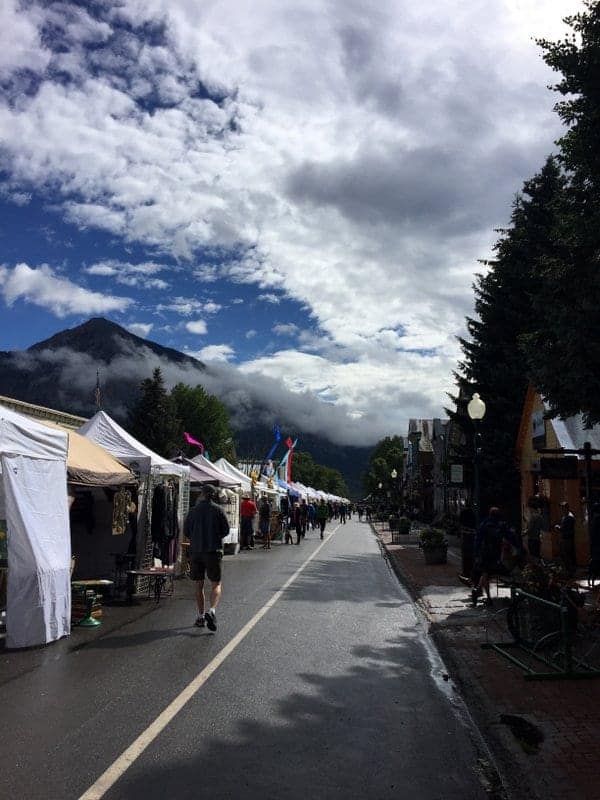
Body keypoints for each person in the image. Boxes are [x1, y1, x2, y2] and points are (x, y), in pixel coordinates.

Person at [184, 484, 230, 631]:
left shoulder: (193, 511)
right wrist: (215, 537)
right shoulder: (219, 510)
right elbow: (226, 530)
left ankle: (201, 615)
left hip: (196, 551)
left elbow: (186, 531)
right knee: (216, 584)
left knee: (199, 584)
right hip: (213, 550)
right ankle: (212, 611)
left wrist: (197, 538)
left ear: (202, 494)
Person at [556, 501, 576, 576]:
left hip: (567, 539)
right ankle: (569, 570)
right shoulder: (565, 516)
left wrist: (558, 527)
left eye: (562, 508)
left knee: (567, 555)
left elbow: (565, 528)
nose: (561, 509)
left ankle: (570, 571)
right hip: (565, 538)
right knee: (564, 554)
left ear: (566, 508)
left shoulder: (569, 517)